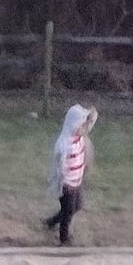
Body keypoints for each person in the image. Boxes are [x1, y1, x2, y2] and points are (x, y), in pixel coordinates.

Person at [43, 103, 97, 245]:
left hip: (77, 181)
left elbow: (90, 123)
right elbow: (58, 166)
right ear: (73, 125)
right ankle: (64, 238)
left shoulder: (79, 138)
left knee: (78, 205)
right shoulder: (64, 143)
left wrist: (90, 116)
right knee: (68, 210)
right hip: (66, 184)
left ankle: (52, 221)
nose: (84, 129)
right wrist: (61, 183)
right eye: (81, 125)